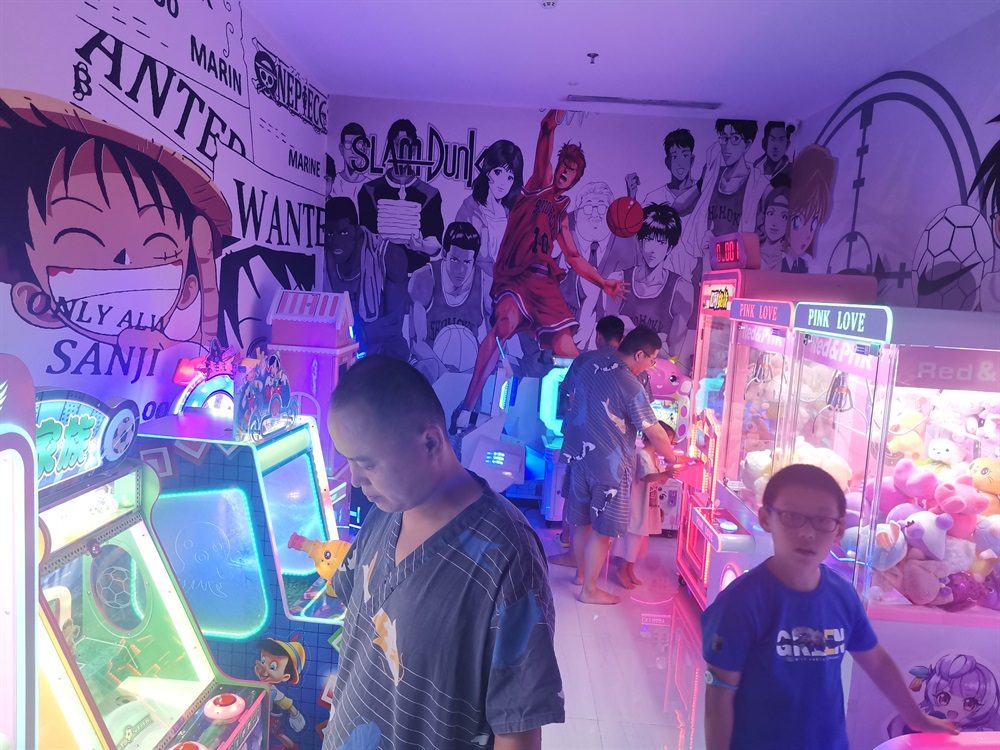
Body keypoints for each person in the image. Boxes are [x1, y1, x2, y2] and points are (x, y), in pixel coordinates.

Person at [323, 356, 564, 749]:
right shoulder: (385, 511)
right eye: (348, 460)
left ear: (431, 443)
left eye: (367, 463)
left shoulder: (508, 555)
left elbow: (517, 726)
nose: (354, 479)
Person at [701, 464, 960, 750]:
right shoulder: (740, 603)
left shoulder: (842, 595)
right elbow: (719, 693)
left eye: (822, 521)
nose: (807, 533)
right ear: (765, 518)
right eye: (791, 517)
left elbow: (876, 661)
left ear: (838, 530)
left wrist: (915, 716)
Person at [451, 109, 627, 434]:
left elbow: (573, 256)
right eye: (563, 165)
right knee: (503, 325)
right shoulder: (538, 185)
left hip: (543, 285)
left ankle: (598, 413)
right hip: (517, 276)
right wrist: (552, 121)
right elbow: (545, 138)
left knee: (568, 351)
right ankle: (467, 407)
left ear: (575, 178)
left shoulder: (562, 213)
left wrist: (604, 283)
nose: (565, 172)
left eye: (571, 170)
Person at [551, 325, 676, 605]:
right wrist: (672, 458)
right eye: (652, 359)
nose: (651, 366)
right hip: (610, 467)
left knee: (581, 522)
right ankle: (590, 590)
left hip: (579, 457)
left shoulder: (586, 364)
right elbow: (654, 431)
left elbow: (570, 398)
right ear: (640, 354)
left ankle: (581, 576)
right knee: (603, 530)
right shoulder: (631, 383)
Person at [552, 315, 626, 549]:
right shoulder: (631, 367)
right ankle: (600, 550)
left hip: (581, 442)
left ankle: (567, 542)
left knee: (575, 495)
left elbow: (571, 396)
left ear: (598, 336)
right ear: (622, 338)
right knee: (607, 502)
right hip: (615, 450)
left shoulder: (584, 360)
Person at [323, 196, 409, 360]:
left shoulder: (390, 256)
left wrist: (356, 336)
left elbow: (394, 324)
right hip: (341, 355)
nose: (336, 241)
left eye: (344, 232)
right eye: (330, 233)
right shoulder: (323, 259)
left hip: (384, 356)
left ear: (357, 231)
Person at [358, 118, 444, 273]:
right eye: (397, 144)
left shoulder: (430, 195)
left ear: (414, 149)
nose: (401, 151)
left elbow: (436, 245)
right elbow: (365, 240)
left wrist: (421, 246)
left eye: (406, 144)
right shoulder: (369, 191)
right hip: (379, 275)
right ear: (390, 148)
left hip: (415, 276)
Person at [408, 221, 490, 381]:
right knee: (426, 367)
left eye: (467, 262)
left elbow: (497, 344)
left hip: (469, 370)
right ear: (445, 254)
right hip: (431, 367)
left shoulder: (485, 284)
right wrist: (448, 376)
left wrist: (472, 374)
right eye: (455, 260)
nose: (460, 269)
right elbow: (417, 344)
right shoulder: (424, 278)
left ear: (474, 261)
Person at [618, 203, 693, 359]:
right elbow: (609, 342)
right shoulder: (619, 280)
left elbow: (674, 354)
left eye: (661, 242)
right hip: (621, 366)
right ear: (640, 242)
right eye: (649, 239)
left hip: (657, 369)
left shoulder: (681, 289)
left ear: (669, 248)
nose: (654, 249)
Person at [610, 421, 676, 589]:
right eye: (667, 442)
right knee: (632, 538)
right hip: (637, 504)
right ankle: (622, 570)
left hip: (647, 505)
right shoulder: (642, 455)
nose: (668, 446)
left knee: (640, 540)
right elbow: (646, 477)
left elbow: (660, 480)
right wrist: (666, 473)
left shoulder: (654, 458)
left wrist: (669, 471)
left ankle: (630, 569)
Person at [329, 122, 369, 202]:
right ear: (341, 148)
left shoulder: (370, 186)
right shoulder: (332, 184)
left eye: (358, 145)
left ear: (364, 149)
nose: (353, 151)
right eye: (348, 144)